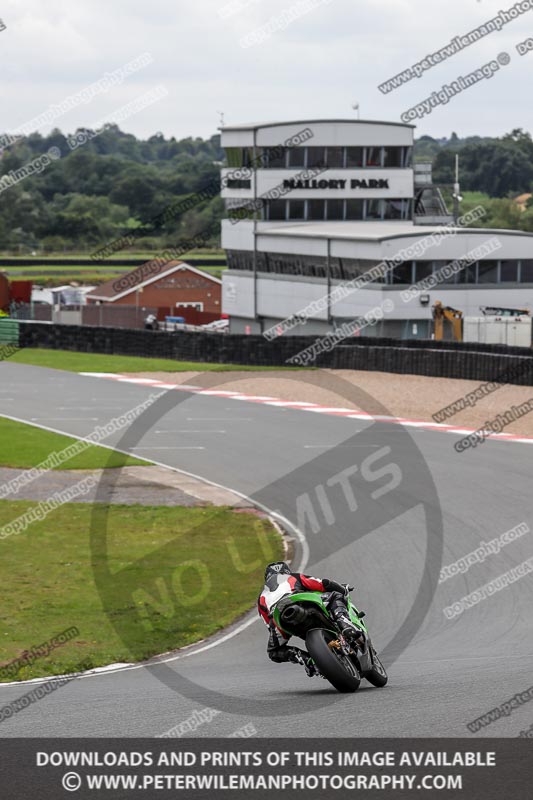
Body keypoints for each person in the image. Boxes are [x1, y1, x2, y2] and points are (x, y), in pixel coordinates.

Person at [257, 561, 363, 676]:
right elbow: (322, 584)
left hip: (280, 617)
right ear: (286, 571)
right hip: (299, 601)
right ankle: (344, 624)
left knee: (274, 652)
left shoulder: (261, 597)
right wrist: (343, 589)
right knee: (336, 596)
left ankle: (306, 659)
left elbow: (269, 624)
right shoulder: (293, 577)